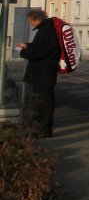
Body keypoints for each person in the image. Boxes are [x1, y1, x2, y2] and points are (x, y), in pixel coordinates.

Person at [15, 8, 60, 137]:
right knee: (44, 100)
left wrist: (22, 52)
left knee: (42, 101)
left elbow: (39, 52)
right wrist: (28, 45)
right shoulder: (48, 29)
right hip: (45, 72)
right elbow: (41, 47)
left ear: (36, 19)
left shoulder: (46, 31)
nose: (30, 24)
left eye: (30, 22)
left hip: (42, 73)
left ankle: (42, 130)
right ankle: (42, 129)